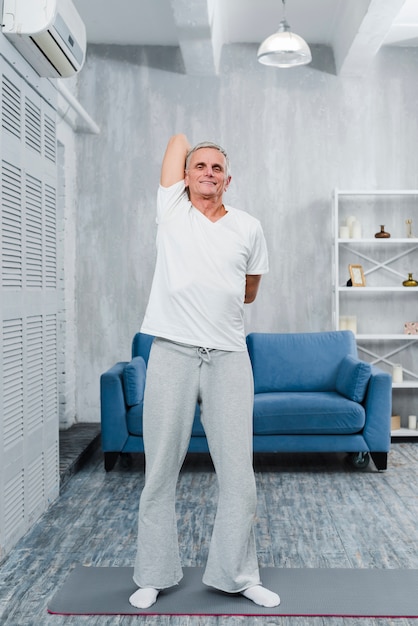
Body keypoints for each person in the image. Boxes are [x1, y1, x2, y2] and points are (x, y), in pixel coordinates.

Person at [129, 134, 280, 610]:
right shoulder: (171, 212)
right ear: (186, 178)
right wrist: (194, 148)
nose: (208, 173)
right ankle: (153, 575)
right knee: (159, 472)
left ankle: (237, 575)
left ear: (229, 179)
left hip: (229, 357)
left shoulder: (249, 227)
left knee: (239, 475)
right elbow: (175, 142)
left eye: (217, 168)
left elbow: (249, 290)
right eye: (200, 167)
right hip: (171, 353)